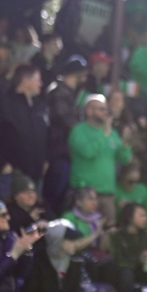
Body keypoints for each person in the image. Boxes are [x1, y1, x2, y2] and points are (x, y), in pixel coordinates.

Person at [0, 64, 49, 199]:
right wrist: (1, 164)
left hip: (36, 175)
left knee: (32, 215)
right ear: (26, 80)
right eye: (38, 80)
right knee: (7, 215)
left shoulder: (40, 105)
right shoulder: (4, 102)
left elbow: (46, 134)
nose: (41, 84)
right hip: (11, 175)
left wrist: (45, 159)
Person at [68, 94, 132, 226]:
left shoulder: (112, 133)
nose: (106, 112)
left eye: (106, 109)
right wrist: (104, 136)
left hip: (108, 195)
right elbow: (88, 152)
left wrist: (125, 144)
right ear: (89, 111)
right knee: (84, 232)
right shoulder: (79, 131)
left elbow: (125, 159)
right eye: (101, 109)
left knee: (108, 236)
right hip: (85, 194)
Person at [43, 57, 86, 211]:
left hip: (65, 152)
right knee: (52, 195)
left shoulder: (70, 93)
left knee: (61, 195)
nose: (85, 78)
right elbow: (63, 119)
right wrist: (83, 131)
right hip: (58, 150)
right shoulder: (58, 92)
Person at [114, 160, 147, 230]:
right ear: (123, 175)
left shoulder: (143, 190)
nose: (134, 184)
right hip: (120, 230)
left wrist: (146, 231)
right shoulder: (114, 189)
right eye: (131, 181)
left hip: (140, 232)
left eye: (136, 181)